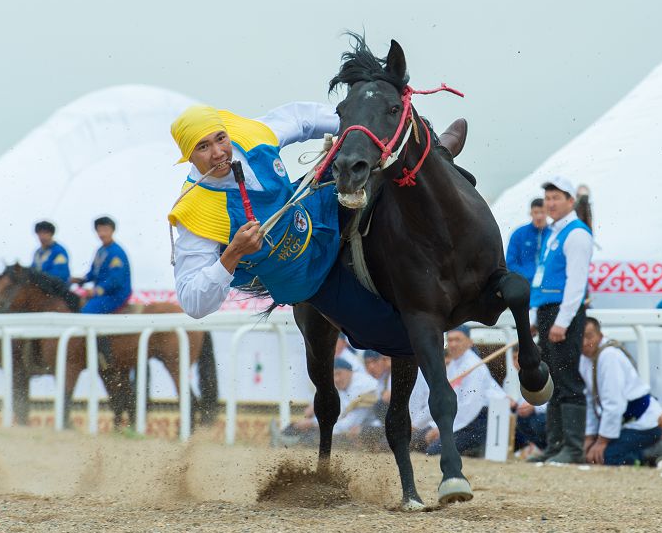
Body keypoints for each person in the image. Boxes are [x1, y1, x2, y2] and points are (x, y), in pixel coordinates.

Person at [167, 102, 468, 357]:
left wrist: (354, 125)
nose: (219, 152)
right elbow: (192, 301)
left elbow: (302, 118)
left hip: (315, 206)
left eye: (220, 139)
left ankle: (438, 154)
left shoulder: (250, 136)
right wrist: (232, 254)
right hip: (306, 273)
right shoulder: (196, 213)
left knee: (366, 149)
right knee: (401, 340)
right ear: (189, 156)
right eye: (203, 147)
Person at [528, 175, 593, 464]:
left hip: (562, 312)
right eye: (548, 198)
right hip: (547, 309)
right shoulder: (554, 232)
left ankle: (573, 447)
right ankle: (555, 444)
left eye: (557, 198)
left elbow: (576, 283)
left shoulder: (577, 233)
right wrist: (535, 317)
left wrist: (563, 321)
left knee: (567, 377)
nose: (551, 203)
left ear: (570, 201)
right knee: (552, 377)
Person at [579, 317, 662, 466]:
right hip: (623, 424)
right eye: (580, 337)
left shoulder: (609, 355)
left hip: (645, 423)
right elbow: (590, 401)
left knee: (606, 457)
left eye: (589, 336)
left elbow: (614, 403)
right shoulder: (584, 359)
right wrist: (589, 437)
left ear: (599, 336)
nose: (585, 343)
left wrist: (601, 442)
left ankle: (653, 451)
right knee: (587, 455)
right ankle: (645, 451)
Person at [409, 326, 506, 457]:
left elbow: (469, 407)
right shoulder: (454, 365)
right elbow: (440, 401)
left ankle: (473, 449)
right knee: (414, 438)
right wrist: (416, 424)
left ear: (469, 342)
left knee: (433, 451)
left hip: (477, 421)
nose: (453, 344)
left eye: (458, 340)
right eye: (450, 340)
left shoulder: (474, 366)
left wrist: (443, 429)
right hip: (457, 418)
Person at [279, 359, 377, 447]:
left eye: (339, 373)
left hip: (372, 429)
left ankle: (286, 441)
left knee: (318, 436)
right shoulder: (346, 385)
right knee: (313, 429)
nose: (336, 379)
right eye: (333, 375)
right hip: (356, 428)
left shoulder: (363, 386)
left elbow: (350, 422)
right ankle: (283, 437)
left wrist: (313, 423)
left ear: (350, 371)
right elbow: (340, 414)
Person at [71, 216, 132, 314]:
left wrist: (96, 290)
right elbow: (93, 273)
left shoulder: (116, 252)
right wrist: (80, 279)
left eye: (105, 230)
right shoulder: (100, 251)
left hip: (115, 295)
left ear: (112, 230)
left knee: (87, 312)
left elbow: (116, 279)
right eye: (99, 230)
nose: (102, 234)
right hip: (102, 294)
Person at [509, 348, 548, 457]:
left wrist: (535, 407)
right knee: (519, 421)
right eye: (514, 358)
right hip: (526, 419)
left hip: (545, 418)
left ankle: (548, 449)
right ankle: (538, 448)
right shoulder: (513, 377)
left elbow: (555, 402)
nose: (518, 361)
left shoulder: (545, 373)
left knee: (537, 421)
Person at [505, 198, 548, 285]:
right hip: (525, 284)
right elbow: (510, 263)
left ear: (547, 213)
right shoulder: (519, 234)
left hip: (548, 285)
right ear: (531, 213)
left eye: (542, 212)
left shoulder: (554, 233)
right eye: (536, 212)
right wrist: (529, 276)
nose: (539, 216)